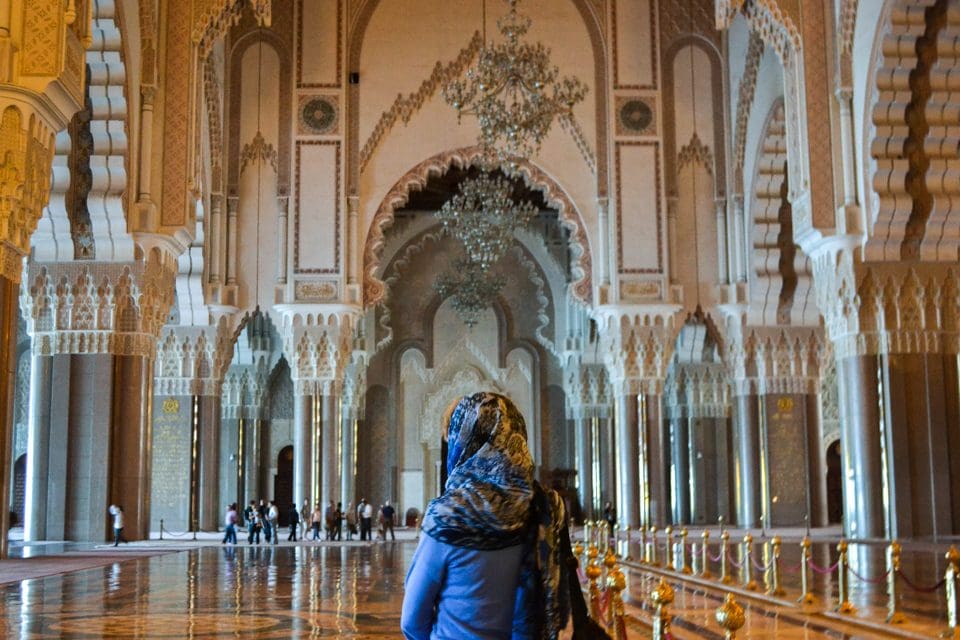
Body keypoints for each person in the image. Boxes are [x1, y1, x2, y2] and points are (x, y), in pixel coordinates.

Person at [400, 392, 569, 640]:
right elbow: (559, 609)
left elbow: (412, 621)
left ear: (462, 442)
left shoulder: (447, 515)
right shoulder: (546, 507)